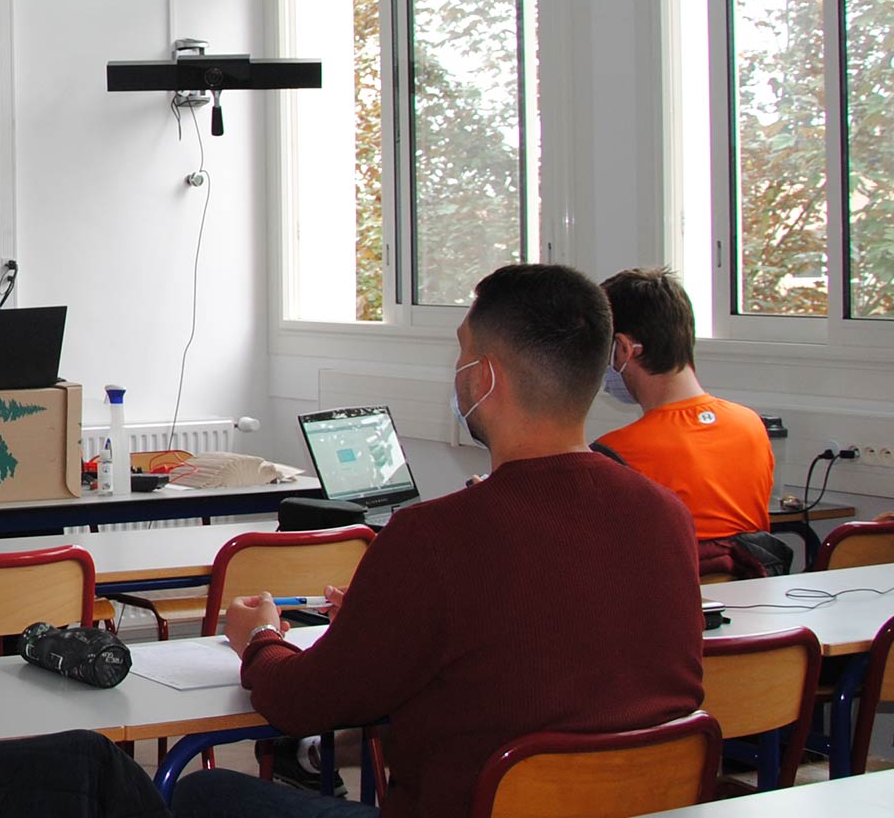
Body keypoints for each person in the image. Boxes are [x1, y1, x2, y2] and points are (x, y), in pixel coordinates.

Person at [173, 264, 704, 818]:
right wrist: (384, 617)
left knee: (200, 793)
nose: (458, 373)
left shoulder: (434, 537)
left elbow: (305, 702)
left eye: (462, 354)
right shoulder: (666, 515)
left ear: (486, 377)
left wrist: (258, 639)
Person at [594, 267, 782, 576]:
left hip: (665, 612)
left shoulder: (614, 454)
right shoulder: (751, 425)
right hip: (753, 607)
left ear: (624, 348)